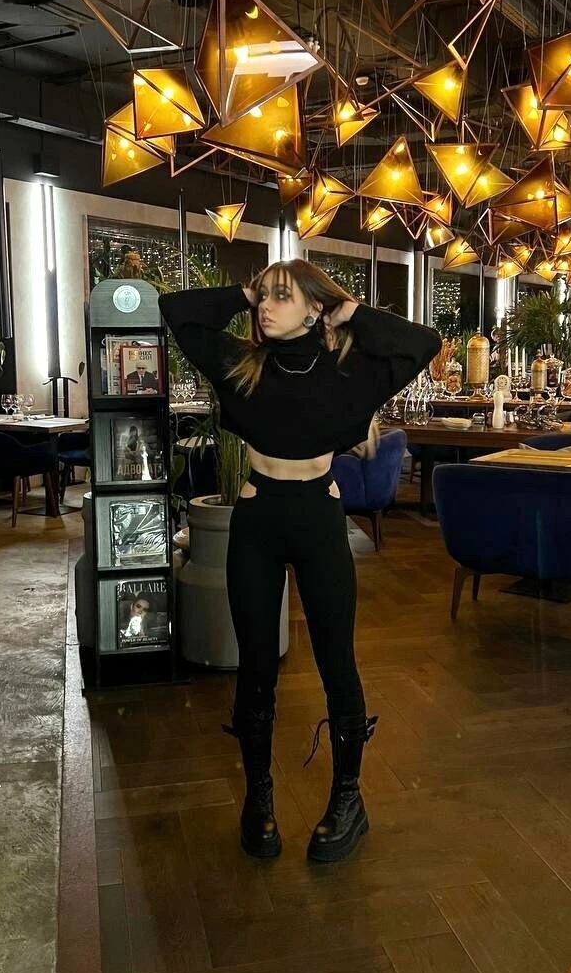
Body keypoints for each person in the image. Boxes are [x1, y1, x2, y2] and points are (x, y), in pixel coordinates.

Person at [159, 261, 440, 863]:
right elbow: (176, 312)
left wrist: (350, 312)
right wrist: (244, 292)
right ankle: (258, 798)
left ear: (314, 308)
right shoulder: (241, 366)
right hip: (257, 521)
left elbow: (423, 343)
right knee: (256, 667)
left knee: (337, 662)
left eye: (280, 296)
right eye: (262, 296)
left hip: (318, 519)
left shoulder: (348, 373)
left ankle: (348, 799)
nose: (265, 306)